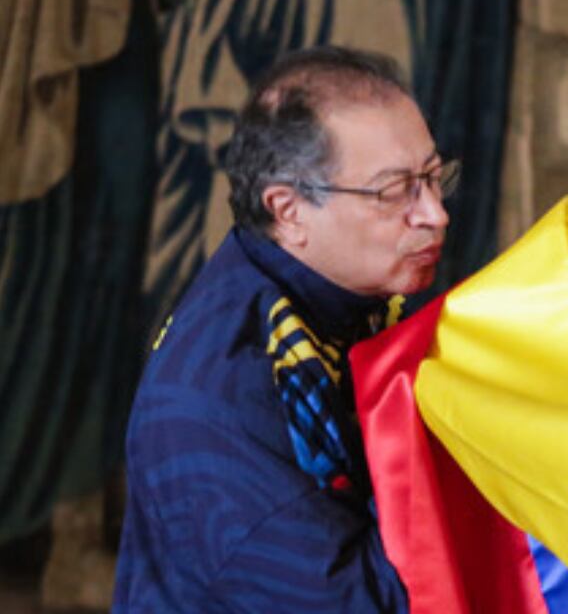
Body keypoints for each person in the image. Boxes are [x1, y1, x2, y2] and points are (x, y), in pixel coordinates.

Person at [114, 46, 454, 610]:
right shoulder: (220, 400)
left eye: (435, 178)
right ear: (289, 211)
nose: (435, 214)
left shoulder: (346, 297)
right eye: (394, 192)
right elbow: (359, 603)